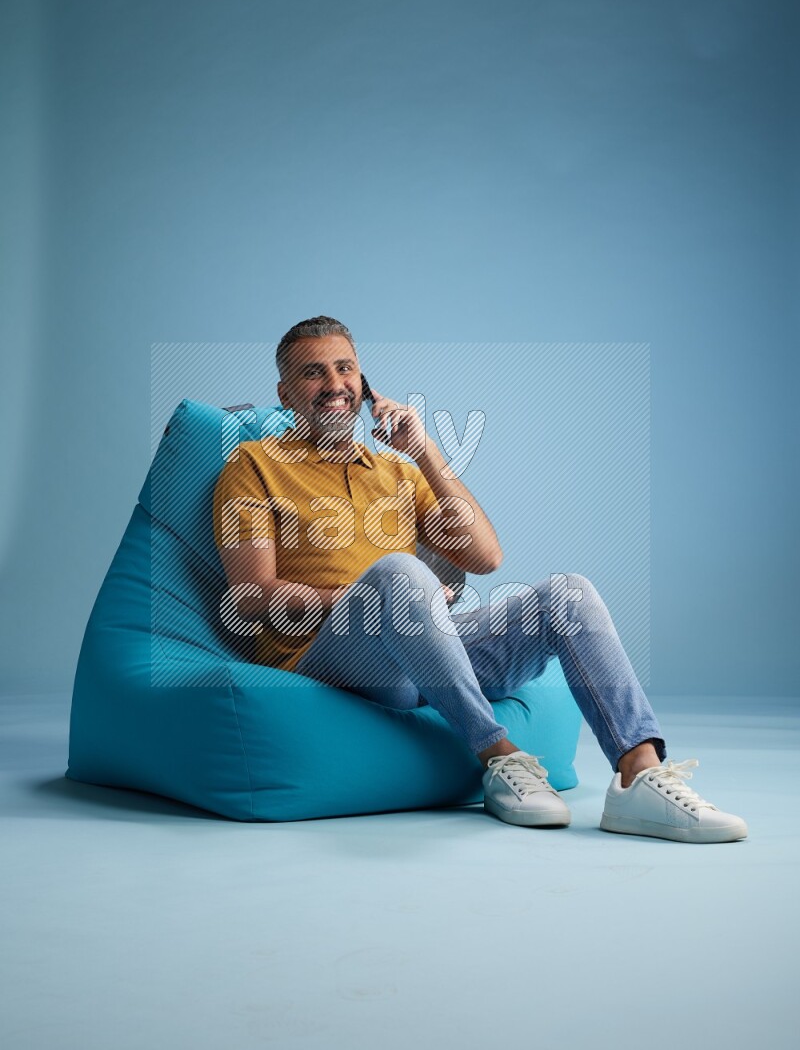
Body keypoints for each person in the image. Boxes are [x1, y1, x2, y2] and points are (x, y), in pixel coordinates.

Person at [212, 316, 747, 844]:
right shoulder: (253, 463)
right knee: (402, 572)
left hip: (423, 650)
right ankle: (498, 756)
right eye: (313, 373)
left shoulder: (398, 472)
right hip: (330, 657)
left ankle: (639, 774)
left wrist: (424, 451)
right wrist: (370, 600)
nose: (334, 385)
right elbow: (253, 595)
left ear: (364, 383)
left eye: (345, 369)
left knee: (569, 593)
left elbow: (486, 556)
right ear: (285, 393)